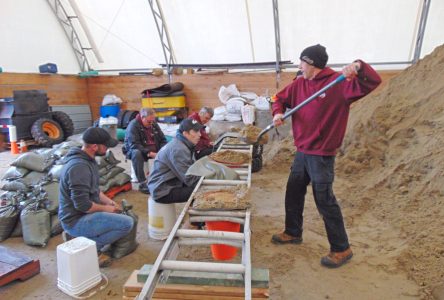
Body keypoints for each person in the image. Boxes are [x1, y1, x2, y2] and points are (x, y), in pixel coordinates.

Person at [271, 44, 382, 268]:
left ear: (314, 65)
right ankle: (293, 232)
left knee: (325, 200)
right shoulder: (299, 83)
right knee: (293, 191)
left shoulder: (339, 84)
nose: (300, 66)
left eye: (303, 63)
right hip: (302, 151)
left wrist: (358, 66)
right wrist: (278, 112)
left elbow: (373, 81)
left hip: (321, 154)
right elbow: (278, 98)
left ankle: (342, 248)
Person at [58, 127, 134, 267]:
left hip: (83, 214)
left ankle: (82, 238)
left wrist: (109, 202)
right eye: (105, 146)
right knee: (127, 224)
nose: (107, 149)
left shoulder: (88, 160)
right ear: (94, 146)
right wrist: (106, 209)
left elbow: (95, 190)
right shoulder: (78, 168)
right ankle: (86, 247)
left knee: (123, 216)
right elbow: (83, 206)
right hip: (75, 220)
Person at [148, 118, 203, 204]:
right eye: (195, 131)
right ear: (185, 133)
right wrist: (208, 183)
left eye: (199, 131)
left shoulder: (183, 143)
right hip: (162, 190)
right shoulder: (179, 149)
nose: (199, 134)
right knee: (202, 191)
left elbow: (191, 169)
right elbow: (189, 178)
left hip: (170, 182)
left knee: (200, 186)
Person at [123, 108, 167, 194]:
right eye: (149, 121)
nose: (151, 124)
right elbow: (134, 144)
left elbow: (163, 139)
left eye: (152, 121)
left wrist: (163, 150)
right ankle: (142, 183)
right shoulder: (133, 125)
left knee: (168, 149)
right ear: (142, 118)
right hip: (138, 149)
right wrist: (149, 153)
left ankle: (164, 177)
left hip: (153, 147)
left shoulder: (153, 123)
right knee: (136, 153)